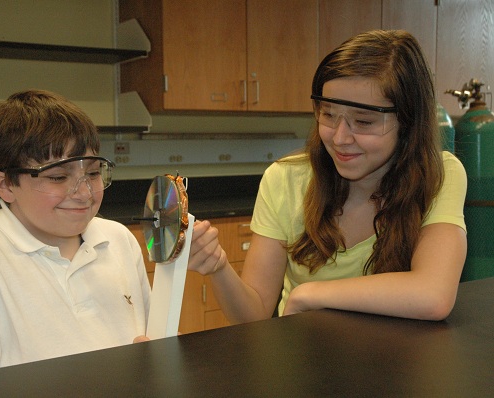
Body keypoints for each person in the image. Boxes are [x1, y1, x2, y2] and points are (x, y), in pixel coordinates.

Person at [188, 30, 467, 323]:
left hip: (390, 363)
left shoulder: (439, 174)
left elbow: (433, 295)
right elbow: (253, 317)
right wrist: (219, 267)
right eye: (329, 114)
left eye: (363, 121)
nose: (340, 138)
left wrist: (310, 294)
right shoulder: (284, 179)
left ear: (408, 122)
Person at [0, 90, 150, 381]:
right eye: (57, 177)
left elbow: (150, 344)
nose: (85, 193)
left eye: (92, 174)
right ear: (5, 185)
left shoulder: (118, 239)